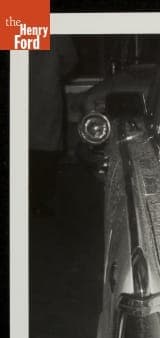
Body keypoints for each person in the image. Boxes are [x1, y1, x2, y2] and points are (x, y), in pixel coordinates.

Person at [29, 35, 77, 217]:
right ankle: (38, 202)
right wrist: (54, 73)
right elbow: (70, 60)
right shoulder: (53, 22)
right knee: (45, 146)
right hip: (46, 91)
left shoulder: (14, 14)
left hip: (25, 91)